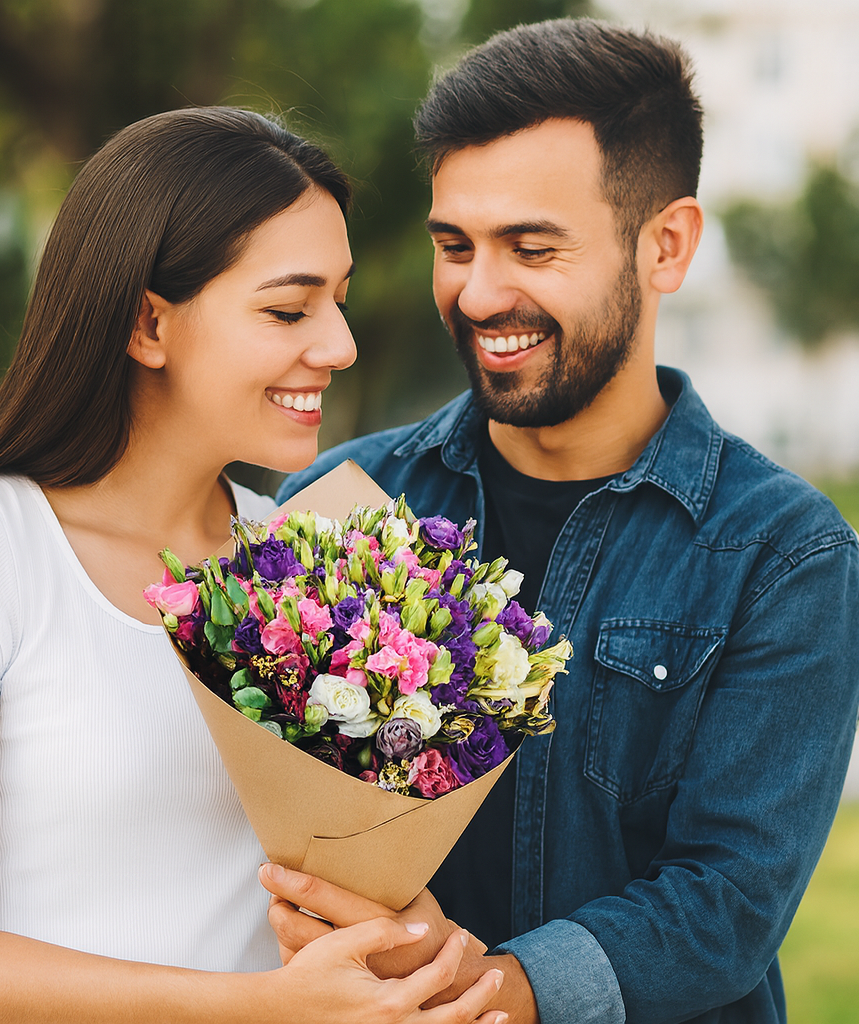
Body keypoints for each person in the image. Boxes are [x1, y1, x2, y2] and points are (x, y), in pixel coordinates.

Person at [0, 107, 508, 1024]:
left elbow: (335, 897)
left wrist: (414, 950)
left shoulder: (309, 566)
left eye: (339, 300)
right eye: (288, 307)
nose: (339, 346)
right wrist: (262, 1007)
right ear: (148, 325)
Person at [264, 18, 859, 1024]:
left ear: (664, 245)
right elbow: (296, 824)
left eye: (531, 247)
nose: (480, 291)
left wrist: (496, 991)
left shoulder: (785, 553)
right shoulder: (344, 502)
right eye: (455, 245)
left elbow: (727, 899)